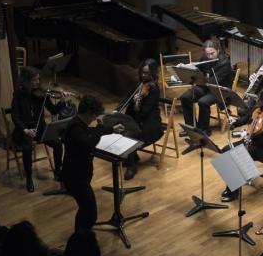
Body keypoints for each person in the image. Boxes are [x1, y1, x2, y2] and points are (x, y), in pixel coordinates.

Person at [10, 66, 72, 192]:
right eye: (34, 80)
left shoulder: (42, 94)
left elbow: (54, 110)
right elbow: (15, 117)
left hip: (40, 129)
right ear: (26, 81)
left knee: (58, 144)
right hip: (25, 131)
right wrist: (25, 130)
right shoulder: (18, 95)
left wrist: (62, 101)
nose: (38, 83)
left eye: (38, 79)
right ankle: (29, 178)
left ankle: (58, 171)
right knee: (27, 148)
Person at [62, 95, 118, 231]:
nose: (94, 119)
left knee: (86, 210)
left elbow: (90, 132)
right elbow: (88, 142)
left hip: (80, 176)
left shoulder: (80, 124)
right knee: (90, 212)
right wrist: (100, 127)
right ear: (88, 113)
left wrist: (111, 129)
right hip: (75, 178)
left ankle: (81, 235)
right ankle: (80, 238)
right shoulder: (75, 128)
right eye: (94, 116)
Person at [222, 85, 263, 202]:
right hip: (251, 141)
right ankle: (233, 183)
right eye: (258, 98)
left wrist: (249, 137)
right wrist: (235, 122)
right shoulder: (258, 107)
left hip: (262, 148)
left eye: (261, 99)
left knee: (236, 155)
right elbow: (247, 118)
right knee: (225, 150)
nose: (258, 101)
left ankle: (233, 191)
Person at [117, 59, 164, 180]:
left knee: (129, 135)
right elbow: (127, 99)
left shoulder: (154, 90)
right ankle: (132, 156)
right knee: (117, 128)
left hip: (150, 124)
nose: (144, 75)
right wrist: (119, 111)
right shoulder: (139, 85)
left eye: (147, 73)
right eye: (142, 72)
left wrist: (137, 103)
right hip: (137, 120)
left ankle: (132, 166)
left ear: (153, 73)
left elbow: (143, 112)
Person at [179, 40, 233, 136]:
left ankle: (203, 130)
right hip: (205, 86)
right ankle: (191, 127)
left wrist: (200, 76)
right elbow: (198, 71)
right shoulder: (205, 57)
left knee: (203, 102)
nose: (210, 57)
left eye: (212, 53)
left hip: (219, 90)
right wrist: (188, 68)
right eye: (207, 54)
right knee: (185, 97)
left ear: (218, 50)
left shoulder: (225, 63)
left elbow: (213, 81)